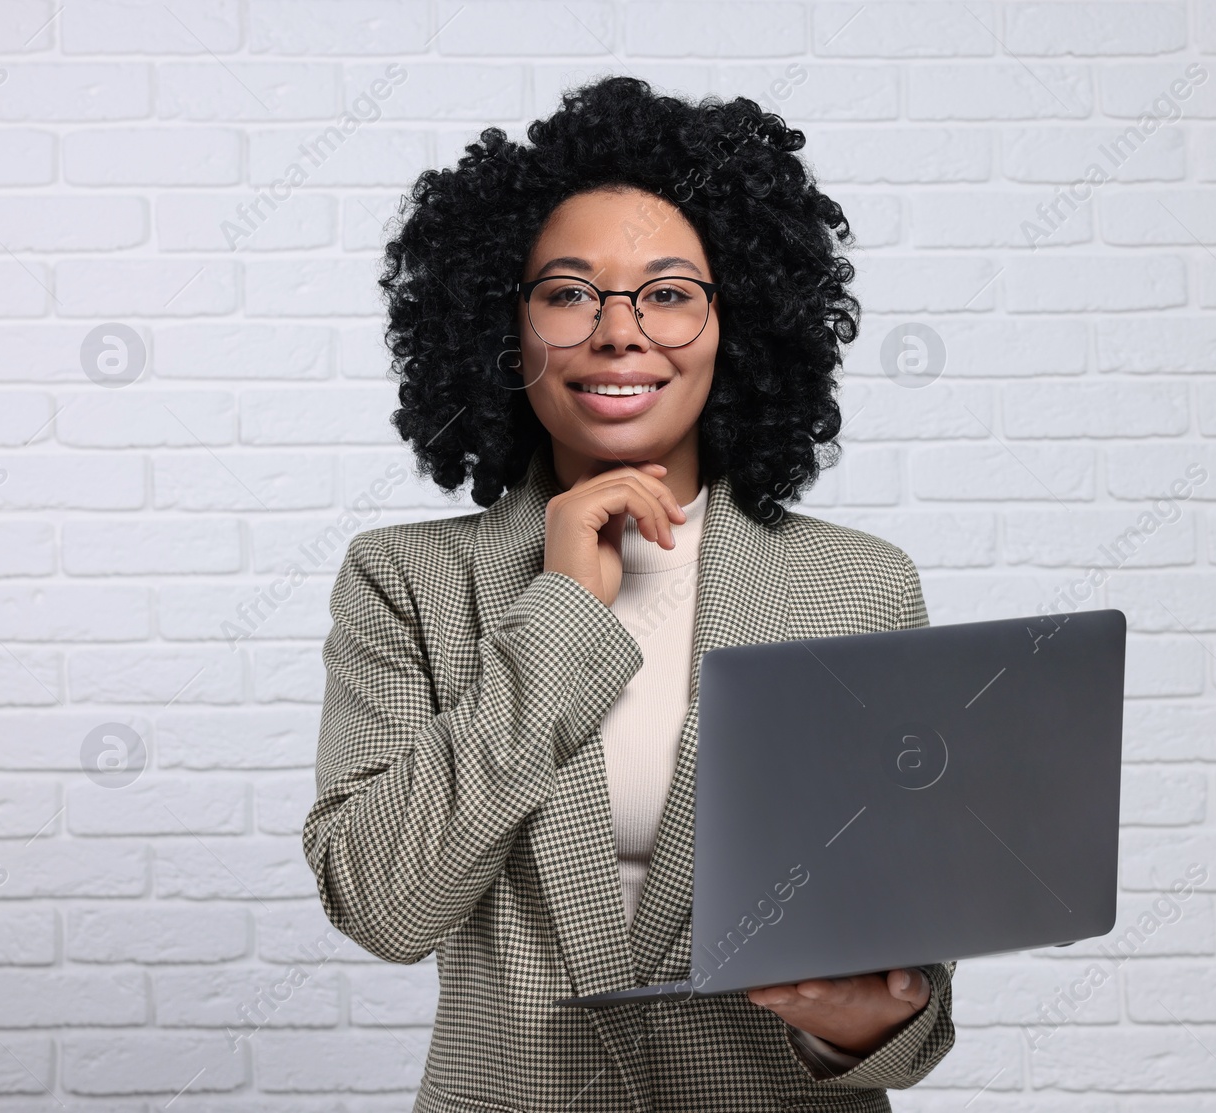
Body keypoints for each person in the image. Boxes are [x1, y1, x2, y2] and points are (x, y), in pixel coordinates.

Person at [302, 75, 954, 1113]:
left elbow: (912, 988)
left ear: (734, 323)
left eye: (668, 292)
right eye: (568, 292)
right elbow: (384, 903)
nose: (619, 332)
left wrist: (863, 1026)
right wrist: (561, 608)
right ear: (503, 329)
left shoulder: (859, 587)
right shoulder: (405, 580)